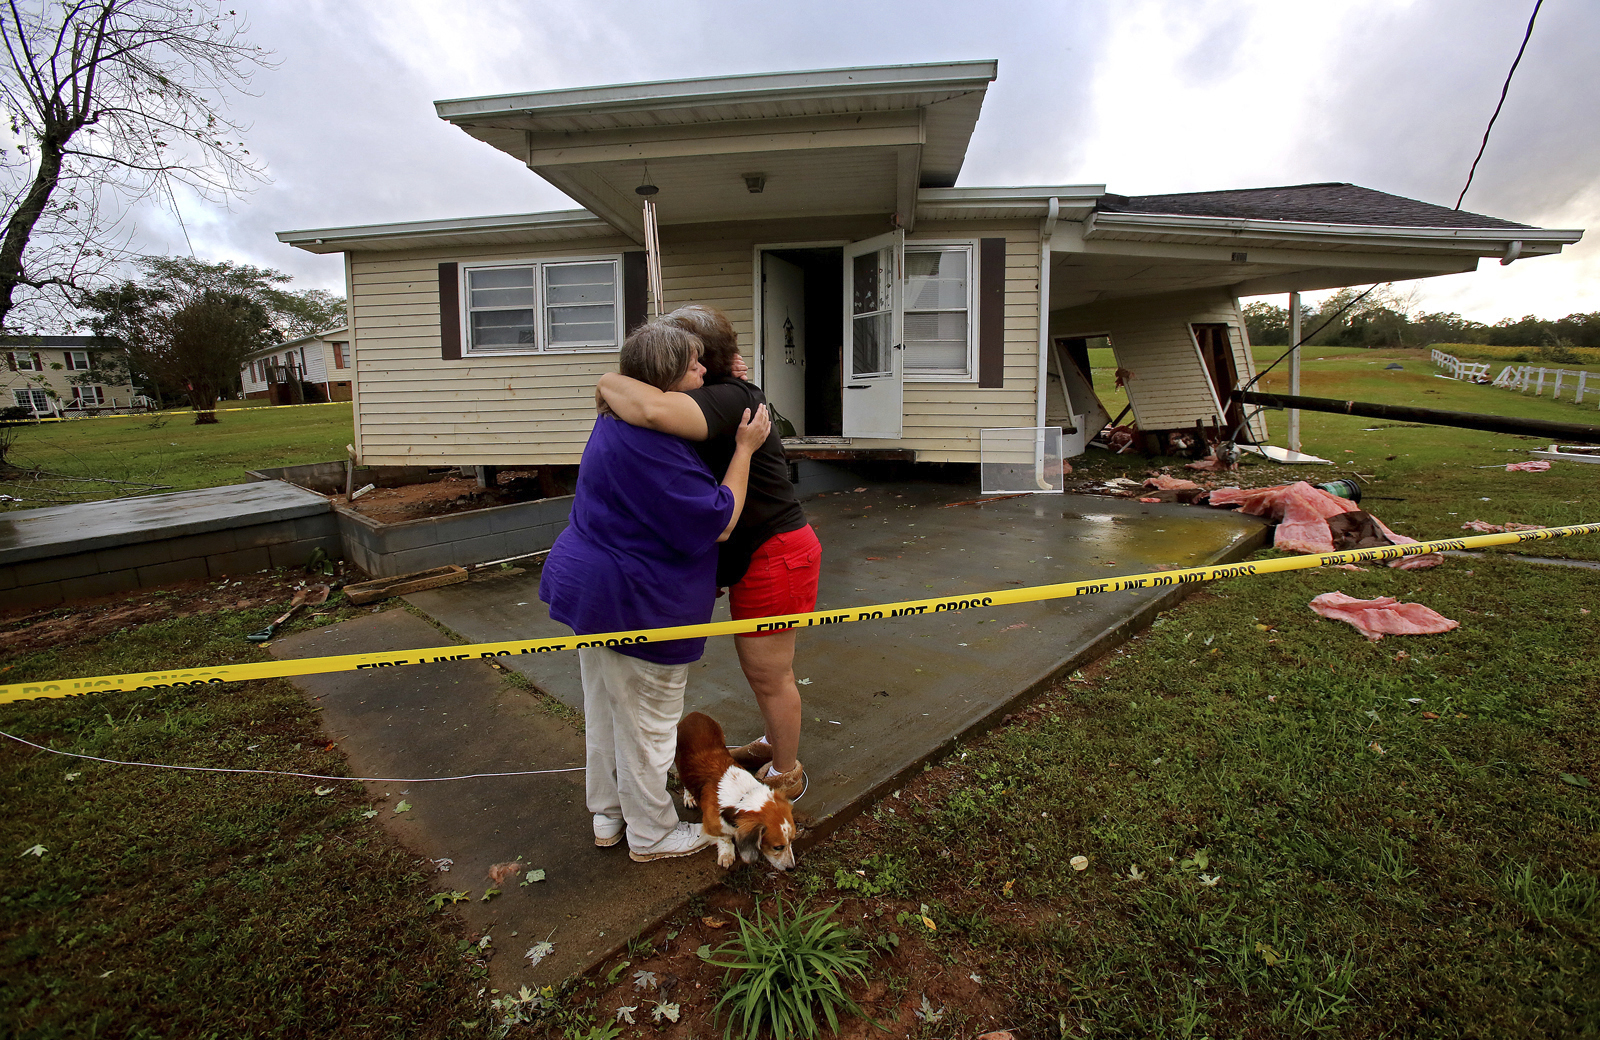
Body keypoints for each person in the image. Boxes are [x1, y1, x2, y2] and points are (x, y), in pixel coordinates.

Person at [540, 322, 771, 862]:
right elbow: (717, 520)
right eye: (694, 364)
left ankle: (609, 815)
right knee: (647, 724)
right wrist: (745, 448)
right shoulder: (653, 447)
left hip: (593, 589)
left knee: (606, 710)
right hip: (634, 599)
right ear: (665, 376)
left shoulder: (618, 418)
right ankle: (652, 834)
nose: (703, 371)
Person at [596, 304, 819, 800]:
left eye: (692, 355)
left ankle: (787, 772)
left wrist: (608, 378)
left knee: (769, 673)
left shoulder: (722, 398)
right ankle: (770, 742)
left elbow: (649, 407)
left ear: (705, 359)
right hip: (756, 549)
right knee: (763, 670)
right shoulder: (713, 391)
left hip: (775, 550)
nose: (687, 364)